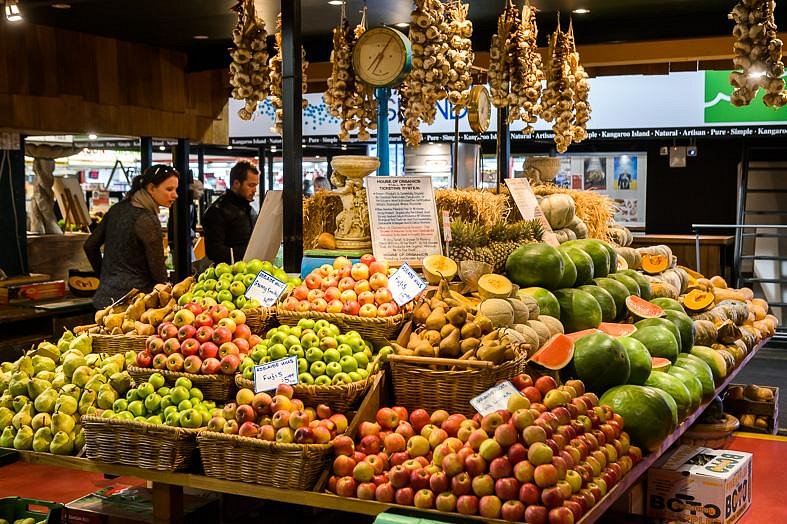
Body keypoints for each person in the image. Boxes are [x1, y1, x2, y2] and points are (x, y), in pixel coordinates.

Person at [84, 164, 179, 308]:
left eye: (175, 189)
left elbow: (90, 245)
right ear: (151, 188)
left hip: (104, 298)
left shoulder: (117, 209)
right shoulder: (147, 219)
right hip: (134, 303)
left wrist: (105, 276)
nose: (175, 195)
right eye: (169, 189)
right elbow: (157, 269)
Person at [202, 160, 259, 264]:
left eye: (256, 185)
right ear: (236, 183)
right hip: (228, 274)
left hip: (250, 269)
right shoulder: (216, 211)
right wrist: (247, 253)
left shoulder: (249, 209)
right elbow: (214, 252)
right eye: (251, 185)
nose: (255, 190)